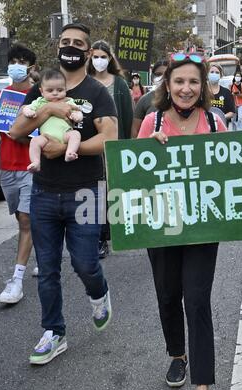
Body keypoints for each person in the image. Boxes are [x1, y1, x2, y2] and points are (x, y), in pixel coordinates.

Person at [10, 23, 118, 365]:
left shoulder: (97, 92)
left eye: (77, 43)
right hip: (43, 193)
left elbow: (109, 139)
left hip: (86, 192)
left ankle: (98, 294)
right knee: (48, 268)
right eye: (64, 41)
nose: (69, 47)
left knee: (86, 263)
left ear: (88, 52)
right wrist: (49, 110)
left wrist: (71, 149)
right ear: (57, 47)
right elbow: (15, 131)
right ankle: (54, 332)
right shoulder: (41, 90)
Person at [137, 52, 227, 390]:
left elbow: (228, 177)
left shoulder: (215, 122)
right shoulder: (150, 121)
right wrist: (147, 151)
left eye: (193, 82)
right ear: (167, 85)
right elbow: (134, 178)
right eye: (179, 81)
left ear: (203, 86)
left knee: (198, 300)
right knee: (168, 295)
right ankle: (178, 354)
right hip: (162, 225)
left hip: (203, 228)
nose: (186, 89)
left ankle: (202, 389)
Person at [0, 43, 37, 304]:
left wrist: (23, 134)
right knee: (23, 220)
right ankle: (45, 254)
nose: (16, 65)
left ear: (31, 67)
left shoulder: (40, 97)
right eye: (13, 60)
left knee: (26, 219)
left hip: (32, 167)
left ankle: (17, 280)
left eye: (22, 61)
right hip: (7, 169)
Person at [87, 39, 133, 258]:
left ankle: (113, 233)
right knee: (95, 193)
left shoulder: (120, 84)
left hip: (114, 149)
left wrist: (126, 147)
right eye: (95, 56)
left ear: (110, 59)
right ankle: (98, 238)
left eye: (103, 57)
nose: (99, 61)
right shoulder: (85, 83)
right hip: (89, 149)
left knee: (113, 193)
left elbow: (127, 118)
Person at [23, 69, 83, 172]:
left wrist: (77, 116)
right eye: (50, 91)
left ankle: (70, 153)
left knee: (76, 134)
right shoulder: (39, 102)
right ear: (42, 91)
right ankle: (36, 162)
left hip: (65, 134)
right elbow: (27, 108)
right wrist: (28, 112)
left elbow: (78, 111)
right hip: (45, 137)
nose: (55, 93)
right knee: (34, 141)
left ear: (66, 89)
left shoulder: (69, 101)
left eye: (60, 90)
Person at [131, 60, 168, 138]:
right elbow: (135, 130)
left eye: (166, 74)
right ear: (152, 77)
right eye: (158, 74)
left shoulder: (179, 100)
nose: (162, 77)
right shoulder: (144, 100)